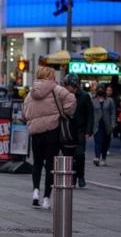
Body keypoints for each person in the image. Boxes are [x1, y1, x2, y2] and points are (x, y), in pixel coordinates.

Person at [23, 66, 75, 210]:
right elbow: (71, 98)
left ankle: (35, 192)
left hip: (36, 133)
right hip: (52, 131)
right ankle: (46, 198)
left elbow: (25, 113)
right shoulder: (56, 88)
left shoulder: (31, 93)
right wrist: (64, 112)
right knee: (50, 166)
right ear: (50, 76)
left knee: (37, 163)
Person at [62, 74, 94, 188]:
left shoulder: (84, 96)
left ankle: (80, 175)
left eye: (67, 85)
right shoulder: (64, 96)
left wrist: (89, 130)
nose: (65, 87)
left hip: (80, 129)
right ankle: (73, 177)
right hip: (68, 130)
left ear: (73, 85)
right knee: (69, 155)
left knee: (79, 154)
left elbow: (90, 114)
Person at [92, 85, 116, 167]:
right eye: (99, 89)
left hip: (107, 125)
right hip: (97, 125)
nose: (100, 90)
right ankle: (97, 157)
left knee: (105, 143)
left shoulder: (110, 101)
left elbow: (113, 113)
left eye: (102, 89)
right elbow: (91, 114)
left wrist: (113, 124)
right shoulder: (93, 101)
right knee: (97, 141)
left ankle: (104, 158)